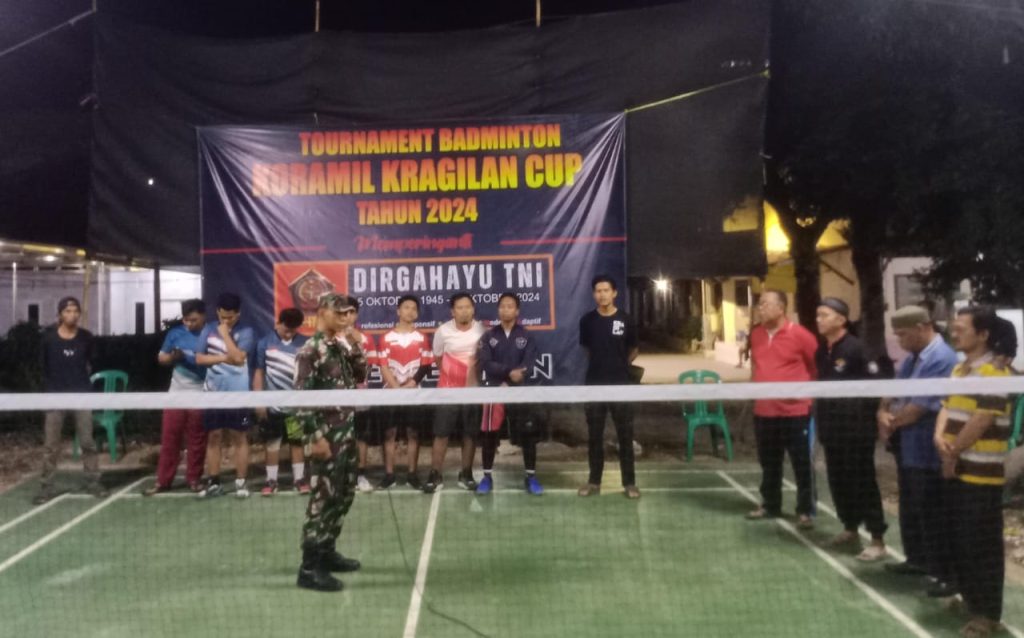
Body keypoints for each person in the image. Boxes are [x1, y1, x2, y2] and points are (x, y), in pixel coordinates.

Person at [933, 306, 1012, 638]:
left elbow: (982, 419)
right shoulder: (959, 369)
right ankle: (969, 598)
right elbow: (946, 407)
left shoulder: (997, 374)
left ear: (983, 335)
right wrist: (939, 437)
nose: (954, 333)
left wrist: (952, 452)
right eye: (953, 327)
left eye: (961, 328)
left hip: (982, 474)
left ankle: (987, 615)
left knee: (982, 545)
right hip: (955, 467)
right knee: (959, 540)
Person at [876, 305, 957, 584]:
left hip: (927, 451)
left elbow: (918, 408)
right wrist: (882, 411)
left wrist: (891, 423)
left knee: (930, 508)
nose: (899, 340)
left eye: (903, 334)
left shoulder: (941, 358)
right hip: (907, 447)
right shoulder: (912, 358)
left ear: (922, 328)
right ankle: (917, 559)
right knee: (911, 506)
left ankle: (938, 569)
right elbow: (894, 390)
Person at [294, 293, 366, 592]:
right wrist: (315, 437)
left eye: (349, 313)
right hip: (326, 437)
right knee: (322, 499)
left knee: (344, 494)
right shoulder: (310, 350)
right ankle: (309, 568)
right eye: (339, 313)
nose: (345, 318)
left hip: (346, 434)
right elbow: (300, 399)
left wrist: (354, 346)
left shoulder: (340, 345)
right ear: (322, 312)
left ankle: (327, 551)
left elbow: (360, 375)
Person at [814, 297, 887, 560]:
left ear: (841, 319)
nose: (819, 320)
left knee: (862, 482)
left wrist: (865, 418)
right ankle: (850, 528)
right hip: (831, 429)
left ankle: (877, 539)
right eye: (818, 315)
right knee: (838, 480)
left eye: (824, 315)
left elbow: (875, 386)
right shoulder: (822, 351)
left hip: (856, 431)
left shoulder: (857, 348)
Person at [746, 289, 817, 527]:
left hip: (796, 413)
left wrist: (804, 396)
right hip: (764, 412)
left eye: (766, 304)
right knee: (769, 463)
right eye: (760, 304)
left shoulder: (801, 335)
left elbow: (815, 368)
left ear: (781, 308)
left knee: (801, 463)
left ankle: (805, 510)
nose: (761, 308)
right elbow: (756, 366)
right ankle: (770, 504)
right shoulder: (756, 334)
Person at [34, 296, 106, 504]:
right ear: (60, 314)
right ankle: (46, 487)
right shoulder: (48, 339)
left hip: (82, 396)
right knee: (51, 445)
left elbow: (92, 363)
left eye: (75, 311)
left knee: (87, 442)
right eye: (67, 311)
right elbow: (43, 366)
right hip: (54, 396)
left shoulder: (86, 338)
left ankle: (93, 482)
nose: (72, 315)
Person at [577, 275, 640, 499]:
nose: (602, 294)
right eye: (598, 291)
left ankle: (629, 483)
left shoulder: (626, 319)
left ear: (614, 293)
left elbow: (634, 349)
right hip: (594, 385)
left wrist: (619, 365)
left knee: (625, 435)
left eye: (606, 290)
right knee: (594, 435)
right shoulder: (587, 321)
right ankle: (594, 481)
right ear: (594, 294)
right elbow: (587, 349)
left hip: (621, 385)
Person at [477, 292, 543, 495]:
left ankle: (531, 476)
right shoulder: (489, 336)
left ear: (517, 311)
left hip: (519, 392)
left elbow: (529, 363)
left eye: (510, 306)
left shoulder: (526, 336)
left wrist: (514, 378)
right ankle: (486, 477)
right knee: (489, 434)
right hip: (495, 391)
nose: (506, 309)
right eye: (502, 306)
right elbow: (486, 363)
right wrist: (507, 374)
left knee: (528, 434)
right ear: (498, 310)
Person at [145, 299, 208, 496]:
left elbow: (212, 362)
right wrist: (173, 357)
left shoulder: (211, 334)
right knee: (170, 438)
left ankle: (194, 479)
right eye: (186, 320)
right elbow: (161, 357)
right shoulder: (175, 333)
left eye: (194, 320)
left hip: (201, 392)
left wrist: (187, 358)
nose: (189, 324)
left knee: (197, 440)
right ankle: (163, 481)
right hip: (176, 394)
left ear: (203, 316)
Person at [423, 292, 485, 494]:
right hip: (447, 391)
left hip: (473, 391)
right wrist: (453, 376)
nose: (464, 311)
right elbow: (438, 357)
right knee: (441, 434)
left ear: (473, 309)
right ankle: (435, 474)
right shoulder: (443, 331)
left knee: (470, 434)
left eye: (468, 307)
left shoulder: (481, 330)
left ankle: (466, 473)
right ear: (453, 311)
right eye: (460, 307)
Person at [195, 293, 256, 499]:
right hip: (212, 393)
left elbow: (238, 358)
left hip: (238, 393)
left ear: (238, 314)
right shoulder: (208, 329)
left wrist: (224, 334)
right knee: (213, 436)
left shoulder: (247, 332)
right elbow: (199, 359)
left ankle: (241, 482)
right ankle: (214, 482)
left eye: (230, 317)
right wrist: (223, 358)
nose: (226, 320)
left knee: (239, 436)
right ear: (217, 312)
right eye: (222, 317)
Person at [377, 295, 435, 490]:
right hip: (390, 392)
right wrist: (396, 388)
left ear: (417, 314)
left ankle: (412, 474)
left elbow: (425, 365)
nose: (410, 311)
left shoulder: (422, 338)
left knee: (413, 433)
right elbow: (383, 366)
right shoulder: (386, 338)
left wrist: (411, 384)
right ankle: (389, 475)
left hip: (413, 392)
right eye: (406, 307)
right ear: (398, 311)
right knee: (389, 433)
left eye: (413, 308)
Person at [253, 308, 308, 496]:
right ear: (278, 323)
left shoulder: (304, 343)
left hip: (295, 408)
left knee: (296, 442)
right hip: (273, 407)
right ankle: (271, 480)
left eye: (293, 330)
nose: (289, 333)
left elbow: (307, 375)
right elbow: (259, 372)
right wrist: (259, 401)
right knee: (272, 443)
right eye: (286, 329)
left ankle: (299, 479)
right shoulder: (265, 343)